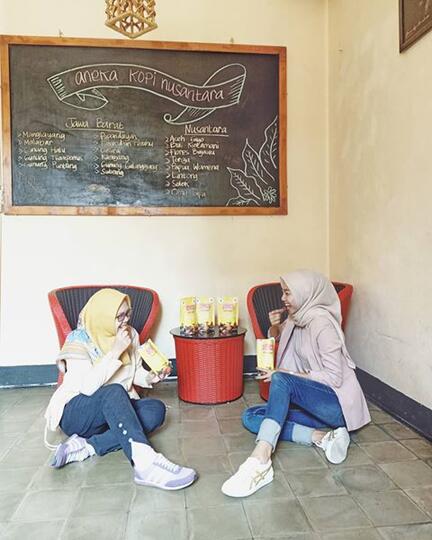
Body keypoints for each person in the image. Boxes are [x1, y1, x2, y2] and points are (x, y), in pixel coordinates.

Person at [222, 270, 370, 498]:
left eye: (288, 293)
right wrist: (274, 326)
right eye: (284, 292)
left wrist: (287, 373)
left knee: (281, 380)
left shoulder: (323, 325)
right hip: (313, 405)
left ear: (305, 293)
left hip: (337, 405)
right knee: (251, 416)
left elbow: (334, 378)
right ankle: (321, 437)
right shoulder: (297, 318)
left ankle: (261, 459)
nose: (283, 298)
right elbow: (278, 335)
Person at [44, 288, 197, 491]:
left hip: (112, 411)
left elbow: (133, 372)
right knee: (114, 391)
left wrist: (151, 377)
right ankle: (145, 463)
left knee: (155, 410)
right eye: (119, 317)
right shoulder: (79, 340)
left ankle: (88, 446)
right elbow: (87, 388)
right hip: (77, 412)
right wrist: (115, 350)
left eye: (127, 314)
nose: (125, 321)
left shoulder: (130, 334)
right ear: (103, 317)